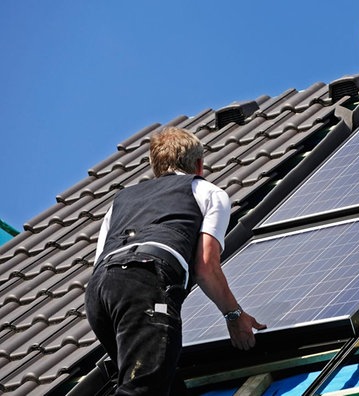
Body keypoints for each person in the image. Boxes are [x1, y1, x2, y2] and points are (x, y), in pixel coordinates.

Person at [85, 127, 266, 394]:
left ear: (156, 166)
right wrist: (234, 315)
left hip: (98, 297)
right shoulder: (207, 192)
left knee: (164, 384)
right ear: (199, 164)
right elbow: (206, 266)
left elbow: (100, 265)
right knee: (143, 388)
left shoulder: (119, 201)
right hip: (143, 283)